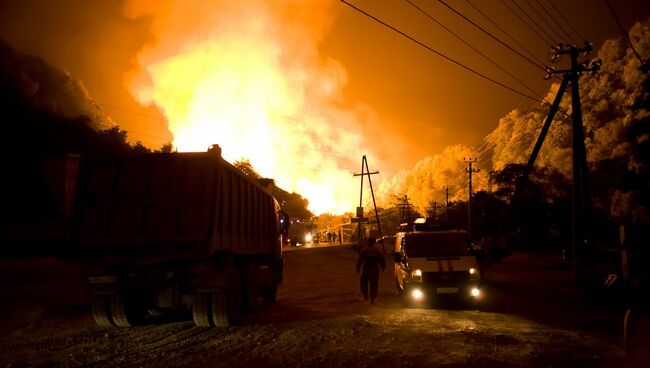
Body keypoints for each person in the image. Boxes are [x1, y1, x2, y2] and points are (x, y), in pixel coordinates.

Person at [356, 237, 385, 304]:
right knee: (374, 284)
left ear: (368, 242)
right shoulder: (377, 250)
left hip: (366, 269)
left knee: (364, 282)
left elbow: (360, 260)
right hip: (374, 270)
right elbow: (381, 260)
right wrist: (383, 267)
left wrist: (358, 268)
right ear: (373, 243)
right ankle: (372, 298)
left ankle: (366, 295)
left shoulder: (364, 250)